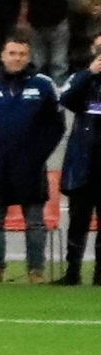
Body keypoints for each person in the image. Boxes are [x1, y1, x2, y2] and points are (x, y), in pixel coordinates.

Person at [0, 32, 64, 282]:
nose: (17, 58)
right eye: (12, 53)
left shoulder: (43, 85)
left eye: (22, 54)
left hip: (30, 165)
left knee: (35, 222)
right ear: (2, 55)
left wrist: (39, 153)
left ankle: (35, 272)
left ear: (28, 57)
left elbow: (56, 124)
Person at [64, 39, 101, 283]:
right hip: (83, 164)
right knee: (77, 221)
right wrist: (90, 74)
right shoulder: (82, 78)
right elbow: (66, 99)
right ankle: (72, 271)